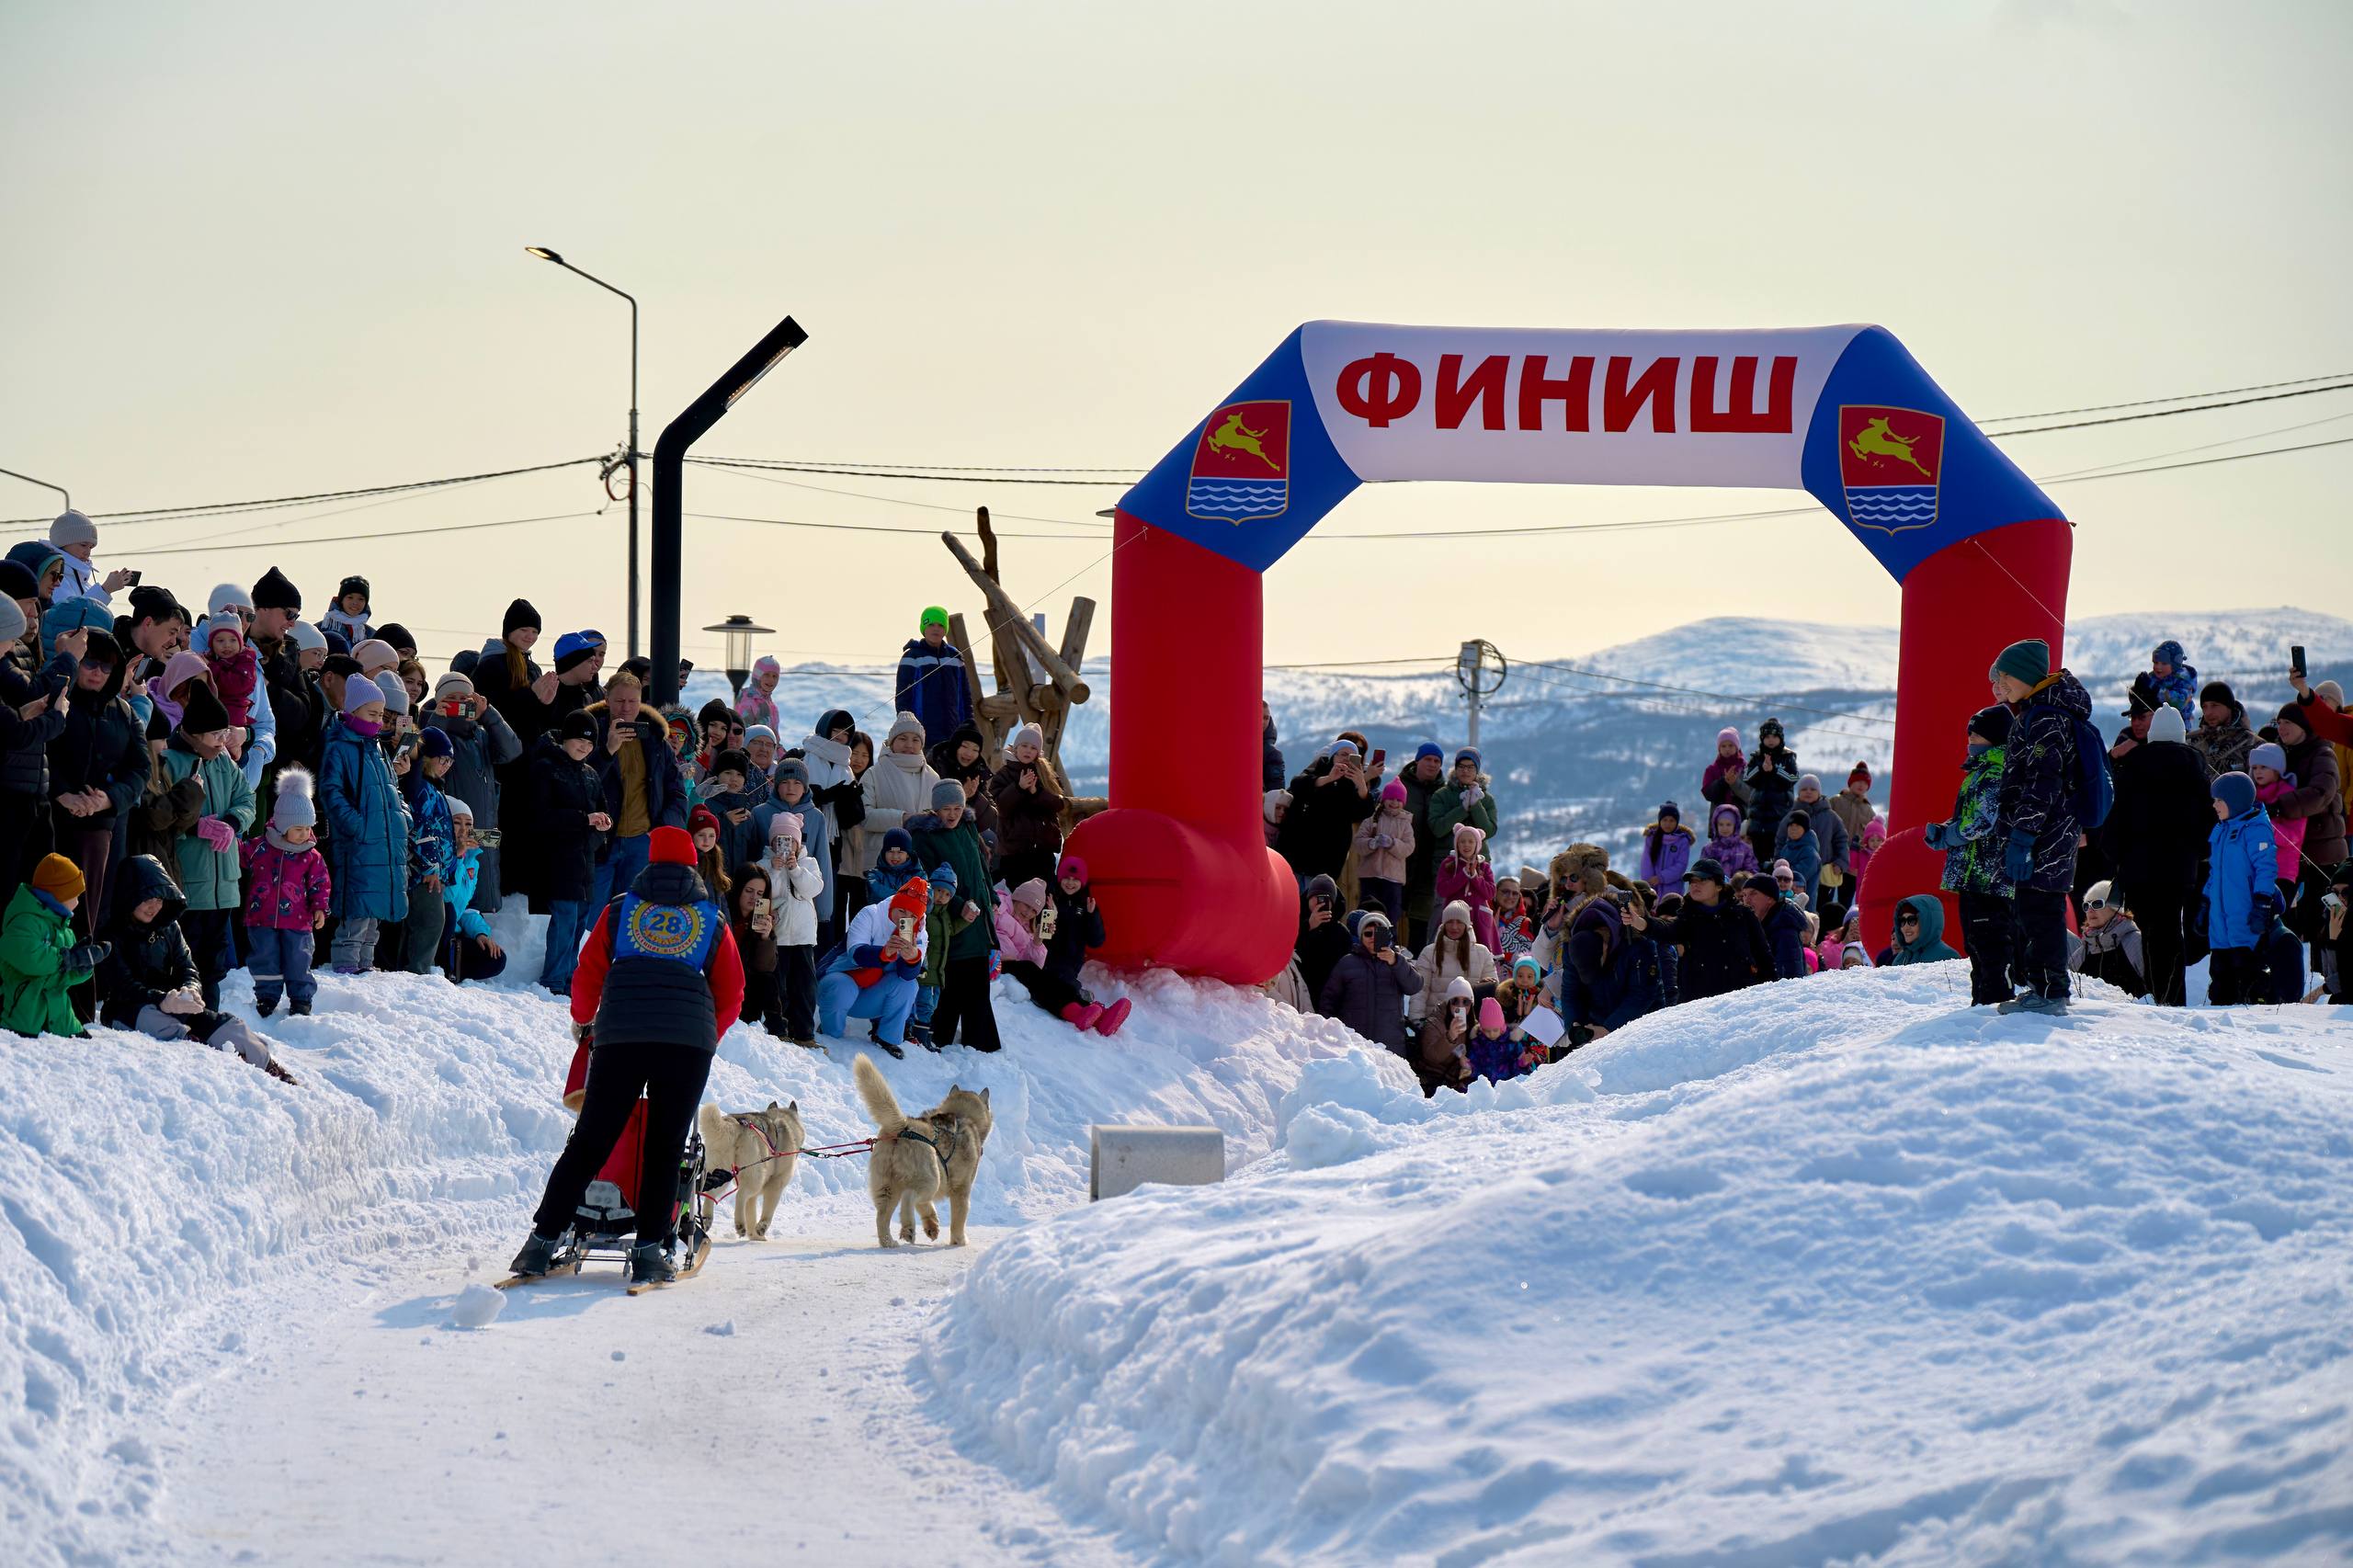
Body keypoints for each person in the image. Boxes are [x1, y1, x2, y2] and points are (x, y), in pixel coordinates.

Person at [509, 825, 744, 1287]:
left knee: (590, 1140)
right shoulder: (712, 920)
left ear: (649, 864)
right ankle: (651, 1252)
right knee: (665, 1146)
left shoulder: (619, 910)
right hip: (686, 1043)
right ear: (693, 866)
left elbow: (588, 972)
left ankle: (540, 1241)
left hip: (621, 1037)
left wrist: (583, 1019)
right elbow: (732, 991)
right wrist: (706, 1035)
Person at [1989, 638, 2095, 1016]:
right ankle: (2043, 988)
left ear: (2025, 675)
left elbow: (2041, 784)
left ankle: (2050, 993)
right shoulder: (2037, 712)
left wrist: (2023, 836)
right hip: (2047, 832)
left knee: (2041, 911)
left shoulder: (2046, 718)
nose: (2000, 685)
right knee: (2033, 910)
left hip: (2045, 835)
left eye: (2005, 676)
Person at [2099, 703, 2210, 1006]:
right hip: (2180, 869)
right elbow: (2207, 823)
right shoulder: (2196, 771)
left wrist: (2118, 857)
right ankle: (2172, 998)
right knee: (2172, 931)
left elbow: (2113, 821)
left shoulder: (2131, 769)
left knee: (2148, 933)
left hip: (2138, 869)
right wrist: (2198, 853)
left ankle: (2155, 994)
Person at [156, 681, 254, 1006]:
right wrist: (195, 827)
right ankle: (183, 1015)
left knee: (213, 966)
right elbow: (158, 816)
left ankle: (208, 1016)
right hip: (189, 884)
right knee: (185, 962)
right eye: (216, 735)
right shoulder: (170, 762)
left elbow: (247, 799)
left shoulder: (224, 761)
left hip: (223, 885)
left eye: (225, 733)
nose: (223, 741)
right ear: (195, 734)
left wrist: (232, 823)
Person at [46, 629, 147, 938]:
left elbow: (140, 769)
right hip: (53, 822)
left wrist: (108, 799)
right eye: (90, 662)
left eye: (107, 666)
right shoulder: (54, 701)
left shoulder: (124, 713)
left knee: (97, 914)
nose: (97, 672)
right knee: (52, 910)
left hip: (106, 827)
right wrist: (62, 794)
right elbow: (38, 752)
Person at [1922, 704, 2015, 1005]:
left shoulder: (1995, 771)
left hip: (1987, 875)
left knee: (1989, 941)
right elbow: (1972, 817)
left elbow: (1984, 821)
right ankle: (1982, 999)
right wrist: (1944, 830)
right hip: (1974, 873)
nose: (1970, 739)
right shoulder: (1980, 771)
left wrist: (1950, 835)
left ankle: (1994, 998)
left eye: (1976, 734)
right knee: (1976, 941)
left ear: (1995, 737)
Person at [319, 670, 410, 975]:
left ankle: (366, 967)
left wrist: (403, 818)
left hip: (383, 842)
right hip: (359, 843)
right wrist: (356, 826)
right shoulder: (340, 746)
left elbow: (393, 790)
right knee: (357, 910)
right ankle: (346, 967)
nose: (379, 721)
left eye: (381, 715)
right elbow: (331, 791)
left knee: (375, 912)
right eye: (373, 714)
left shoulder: (378, 749)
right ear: (353, 710)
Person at [906, 778, 999, 1051]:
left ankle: (980, 1041)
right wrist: (959, 906)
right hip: (949, 916)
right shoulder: (924, 836)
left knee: (978, 980)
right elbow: (929, 877)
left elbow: (981, 866)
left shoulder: (968, 826)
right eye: (946, 809)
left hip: (978, 915)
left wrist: (991, 898)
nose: (952, 814)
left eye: (957, 808)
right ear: (936, 809)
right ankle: (941, 1035)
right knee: (953, 974)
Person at [419, 670, 520, 915]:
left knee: (478, 906)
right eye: (451, 699)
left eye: (464, 699)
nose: (458, 705)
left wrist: (489, 715)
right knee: (452, 906)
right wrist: (439, 718)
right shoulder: (432, 729)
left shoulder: (481, 736)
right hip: (450, 835)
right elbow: (425, 754)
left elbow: (512, 751)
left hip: (480, 834)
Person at [586, 670, 688, 913]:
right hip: (601, 840)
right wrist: (607, 751)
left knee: (634, 914)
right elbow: (580, 782)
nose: (626, 707)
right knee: (592, 916)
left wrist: (662, 828)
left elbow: (676, 790)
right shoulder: (590, 734)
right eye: (620, 701)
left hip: (642, 839)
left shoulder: (655, 739)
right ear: (607, 700)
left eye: (632, 701)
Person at [529, 710, 609, 995]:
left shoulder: (590, 774)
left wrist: (603, 825)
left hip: (584, 859)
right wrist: (584, 819)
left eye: (589, 743)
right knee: (564, 918)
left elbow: (602, 810)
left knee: (580, 921)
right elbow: (540, 816)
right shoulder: (546, 768)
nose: (584, 747)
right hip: (557, 858)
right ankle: (553, 981)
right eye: (579, 740)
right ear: (565, 738)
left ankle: (568, 979)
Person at [241, 767, 331, 1016]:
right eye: (298, 828)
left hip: (298, 919)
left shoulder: (311, 855)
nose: (305, 834)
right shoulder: (261, 847)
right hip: (261, 916)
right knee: (265, 956)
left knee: (298, 958)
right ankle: (267, 996)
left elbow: (320, 883)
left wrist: (320, 907)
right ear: (282, 825)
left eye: (308, 828)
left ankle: (301, 998)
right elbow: (238, 853)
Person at [815, 876, 930, 1056]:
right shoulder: (871, 914)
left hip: (870, 997)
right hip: (832, 986)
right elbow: (855, 953)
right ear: (893, 906)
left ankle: (887, 1039)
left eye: (912, 916)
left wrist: (912, 959)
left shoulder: (920, 933)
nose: (905, 918)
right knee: (843, 986)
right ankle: (830, 1034)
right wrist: (883, 953)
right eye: (901, 911)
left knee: (909, 985)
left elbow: (907, 975)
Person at [0, 853, 106, 1037]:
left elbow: (64, 978)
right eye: (75, 895)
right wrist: (67, 959)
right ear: (59, 895)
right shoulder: (23, 921)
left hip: (61, 1020)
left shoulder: (66, 931)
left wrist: (82, 967)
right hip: (22, 1018)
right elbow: (29, 957)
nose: (78, 902)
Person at [1649, 856, 1768, 1001]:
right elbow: (1665, 930)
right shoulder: (1687, 919)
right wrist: (1640, 922)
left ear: (1719, 886)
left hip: (1742, 1002)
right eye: (1692, 881)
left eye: (1702, 880)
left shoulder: (1743, 915)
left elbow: (1764, 957)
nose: (1695, 885)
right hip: (1699, 1006)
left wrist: (1768, 998)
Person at [2205, 772, 2279, 1006]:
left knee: (2246, 969)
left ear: (2235, 801)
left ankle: (2251, 1008)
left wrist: (2263, 902)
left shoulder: (2255, 829)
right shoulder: (2221, 829)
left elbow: (2266, 869)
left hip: (2244, 914)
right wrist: (2205, 902)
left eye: (2219, 800)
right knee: (2220, 971)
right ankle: (2219, 1013)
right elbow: (2214, 872)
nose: (2214, 805)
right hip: (2220, 918)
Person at [1318, 910, 1423, 1056]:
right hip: (1354, 1045)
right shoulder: (1347, 962)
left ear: (1388, 935)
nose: (1373, 938)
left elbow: (1415, 986)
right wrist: (1331, 1032)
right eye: (1368, 934)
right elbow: (1329, 1000)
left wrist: (1395, 962)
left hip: (1390, 1047)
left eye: (1379, 933)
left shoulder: (1398, 961)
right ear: (1361, 936)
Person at [857, 711, 940, 892]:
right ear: (892, 742)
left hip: (920, 868)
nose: (909, 745)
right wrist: (902, 818)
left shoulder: (933, 778)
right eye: (903, 738)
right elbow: (864, 816)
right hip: (881, 869)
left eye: (915, 740)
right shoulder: (874, 773)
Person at [1044, 854, 1128, 1035]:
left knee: (1066, 986)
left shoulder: (1086, 905)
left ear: (1082, 882)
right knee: (1064, 986)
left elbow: (1096, 941)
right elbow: (1043, 936)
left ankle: (1100, 1015)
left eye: (1075, 879)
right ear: (1060, 878)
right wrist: (1050, 914)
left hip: (1072, 963)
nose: (1070, 883)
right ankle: (1096, 1011)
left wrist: (1092, 916)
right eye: (1066, 878)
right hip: (1049, 959)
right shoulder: (1051, 899)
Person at [399, 728, 459, 975]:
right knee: (431, 922)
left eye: (450, 761)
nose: (446, 766)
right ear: (426, 758)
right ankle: (418, 972)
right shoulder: (423, 789)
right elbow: (422, 829)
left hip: (433, 871)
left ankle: (417, 970)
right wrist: (431, 867)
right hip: (423, 872)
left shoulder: (435, 789)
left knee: (431, 922)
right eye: (442, 759)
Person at [762, 812, 824, 1045]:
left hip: (803, 936)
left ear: (798, 843)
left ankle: (805, 1033)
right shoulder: (764, 865)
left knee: (805, 987)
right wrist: (775, 871)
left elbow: (813, 889)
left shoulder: (809, 863)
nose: (784, 846)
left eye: (789, 840)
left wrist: (796, 870)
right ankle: (780, 1030)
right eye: (778, 840)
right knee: (779, 986)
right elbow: (766, 893)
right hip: (778, 936)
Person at [1280, 740, 1376, 886]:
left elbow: (1363, 812)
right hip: (1297, 851)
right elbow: (1298, 784)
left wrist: (1362, 785)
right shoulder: (1319, 768)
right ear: (1333, 756)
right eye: (1343, 754)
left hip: (1328, 860)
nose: (1347, 759)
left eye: (1353, 757)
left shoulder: (1352, 784)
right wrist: (1329, 778)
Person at [436, 800, 508, 983]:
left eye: (468, 825)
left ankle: (448, 966)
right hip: (434, 929)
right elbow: (446, 897)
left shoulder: (472, 862)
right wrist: (457, 857)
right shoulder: (435, 853)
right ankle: (439, 966)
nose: (463, 830)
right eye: (456, 822)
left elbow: (468, 908)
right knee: (448, 912)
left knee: (496, 958)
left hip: (452, 933)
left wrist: (481, 934)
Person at [990, 721, 1066, 892]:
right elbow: (1000, 806)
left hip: (1043, 850)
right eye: (1024, 745)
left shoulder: (1047, 774)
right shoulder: (1003, 775)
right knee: (1016, 896)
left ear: (1038, 752)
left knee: (1043, 896)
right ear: (1015, 748)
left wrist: (1036, 793)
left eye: (1033, 748)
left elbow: (1058, 803)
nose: (1028, 751)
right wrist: (1018, 788)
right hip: (1015, 851)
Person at [894, 606, 972, 748]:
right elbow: (903, 696)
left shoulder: (955, 657)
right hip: (922, 733)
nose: (936, 629)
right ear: (924, 627)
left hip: (953, 732)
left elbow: (965, 695)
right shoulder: (912, 656)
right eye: (931, 624)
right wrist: (907, 726)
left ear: (945, 629)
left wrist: (968, 724)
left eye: (940, 625)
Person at [1396, 743, 1449, 947]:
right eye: (1428, 759)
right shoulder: (1400, 786)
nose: (1432, 764)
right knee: (1390, 917)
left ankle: (1417, 964)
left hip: (1429, 867)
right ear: (1417, 760)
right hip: (1399, 862)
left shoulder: (1444, 792)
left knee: (1421, 922)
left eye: (1437, 761)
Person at [1411, 899, 1498, 1020]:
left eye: (1459, 922)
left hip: (1471, 1023)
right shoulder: (1429, 952)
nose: (1454, 927)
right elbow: (1420, 990)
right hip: (1436, 1022)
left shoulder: (1482, 953)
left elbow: (1492, 994)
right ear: (1443, 924)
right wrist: (1417, 1020)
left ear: (1467, 925)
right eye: (1450, 922)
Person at [45, 510, 138, 609]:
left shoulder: (80, 580)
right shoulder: (54, 578)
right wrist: (105, 589)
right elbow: (69, 614)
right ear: (62, 542)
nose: (88, 552)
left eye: (91, 547)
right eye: (83, 545)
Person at [2072, 881, 2147, 997]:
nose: (2090, 910)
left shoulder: (2134, 941)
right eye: (2086, 906)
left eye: (2097, 904)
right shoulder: (2083, 951)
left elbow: (2157, 988)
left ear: (2115, 907)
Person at [726, 862, 778, 1030]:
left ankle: (777, 1030)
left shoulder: (761, 922)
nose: (754, 898)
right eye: (749, 891)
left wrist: (765, 938)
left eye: (760, 893)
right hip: (724, 977)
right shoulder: (724, 914)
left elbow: (765, 968)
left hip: (747, 987)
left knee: (768, 980)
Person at [1742, 719, 1799, 869]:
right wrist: (1761, 768)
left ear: (1780, 738)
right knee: (1758, 863)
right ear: (1762, 739)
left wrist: (1774, 770)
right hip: (1758, 821)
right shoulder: (1756, 757)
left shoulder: (1787, 757)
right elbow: (1747, 777)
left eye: (1774, 736)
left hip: (1780, 819)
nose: (1771, 740)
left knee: (1778, 862)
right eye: (1767, 737)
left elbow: (1793, 778)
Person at [1433, 824, 1498, 950]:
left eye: (1470, 841)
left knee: (1480, 952)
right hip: (1454, 919)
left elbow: (1491, 893)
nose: (1466, 845)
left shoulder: (1484, 866)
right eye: (1462, 841)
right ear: (1457, 844)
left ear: (1477, 844)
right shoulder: (1448, 864)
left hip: (1479, 920)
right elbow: (1442, 890)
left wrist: (1475, 877)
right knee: (1451, 951)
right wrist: (1462, 875)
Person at [1789, 775, 1851, 904]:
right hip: (1796, 873)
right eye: (1804, 789)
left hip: (1824, 874)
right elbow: (1780, 840)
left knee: (1822, 908)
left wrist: (1840, 863)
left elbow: (1841, 840)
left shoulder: (1831, 816)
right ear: (1798, 793)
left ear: (1819, 793)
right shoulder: (1790, 815)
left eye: (1813, 789)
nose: (1808, 792)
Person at [1739, 872, 1808, 981]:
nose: (1746, 901)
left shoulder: (1784, 931)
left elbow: (1789, 980)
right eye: (1744, 895)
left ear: (1770, 898)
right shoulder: (1757, 927)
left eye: (1753, 894)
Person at [1415, 976, 1476, 1096]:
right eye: (1455, 1001)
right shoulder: (1434, 1022)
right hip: (1432, 1076)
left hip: (1455, 1078)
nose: (1460, 1006)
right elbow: (1431, 1057)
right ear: (1448, 1002)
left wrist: (1468, 1064)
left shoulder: (1474, 1025)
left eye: (1466, 1001)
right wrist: (1449, 1037)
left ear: (1471, 1004)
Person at [2188, 680, 2258, 780]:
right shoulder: (2191, 743)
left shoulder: (2253, 745)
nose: (2208, 713)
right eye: (2204, 707)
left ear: (2228, 706)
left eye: (2214, 705)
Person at [1885, 893, 1961, 966]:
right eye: (1902, 921)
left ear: (1927, 922)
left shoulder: (1947, 957)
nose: (1906, 927)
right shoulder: (1900, 959)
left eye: (1912, 920)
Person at [1636, 801, 1694, 895]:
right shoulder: (1651, 837)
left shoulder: (1683, 841)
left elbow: (1681, 865)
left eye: (1671, 820)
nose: (1668, 824)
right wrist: (1648, 882)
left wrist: (1661, 877)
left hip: (1673, 889)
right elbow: (1646, 861)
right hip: (1652, 888)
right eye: (1665, 820)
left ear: (1677, 822)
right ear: (1660, 821)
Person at [1777, 809, 1824, 913]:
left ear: (1805, 829)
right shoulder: (1786, 847)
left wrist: (1779, 872)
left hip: (1803, 904)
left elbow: (1799, 876)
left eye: (1797, 826)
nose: (1793, 829)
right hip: (1784, 900)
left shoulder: (1810, 853)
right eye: (1791, 825)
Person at [2148, 640, 2199, 724]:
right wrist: (2138, 689)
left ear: (2175, 665)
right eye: (2155, 663)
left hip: (2179, 727)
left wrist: (2154, 689)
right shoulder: (2153, 678)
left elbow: (2177, 703)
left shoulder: (2184, 681)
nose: (2158, 667)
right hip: (2155, 725)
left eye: (2164, 663)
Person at [1704, 801, 1757, 881]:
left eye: (1728, 824)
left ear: (1735, 825)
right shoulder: (1709, 849)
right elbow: (1703, 872)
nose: (1725, 828)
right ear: (1716, 825)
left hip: (1738, 887)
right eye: (1721, 824)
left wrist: (1738, 879)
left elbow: (1752, 872)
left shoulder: (1745, 850)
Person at [1829, 764, 1877, 848]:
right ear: (1851, 782)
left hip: (1857, 854)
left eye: (1865, 783)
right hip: (1834, 851)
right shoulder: (1835, 801)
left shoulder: (1869, 812)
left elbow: (1875, 837)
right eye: (1858, 781)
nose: (1861, 785)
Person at [317, 575, 372, 647]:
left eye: (361, 599)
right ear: (341, 600)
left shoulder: (371, 634)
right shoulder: (321, 629)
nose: (355, 603)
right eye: (350, 597)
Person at [1700, 728, 1745, 811]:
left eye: (1731, 745)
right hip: (1718, 817)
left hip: (1742, 816)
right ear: (1719, 749)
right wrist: (1723, 781)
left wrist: (1734, 783)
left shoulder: (1745, 768)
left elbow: (1750, 796)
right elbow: (1708, 794)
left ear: (1737, 748)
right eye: (1723, 746)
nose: (1727, 749)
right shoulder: (1711, 770)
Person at [734, 654, 782, 733]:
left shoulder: (770, 703)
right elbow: (742, 733)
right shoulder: (747, 700)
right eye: (767, 675)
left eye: (775, 676)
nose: (771, 680)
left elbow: (774, 733)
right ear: (757, 676)